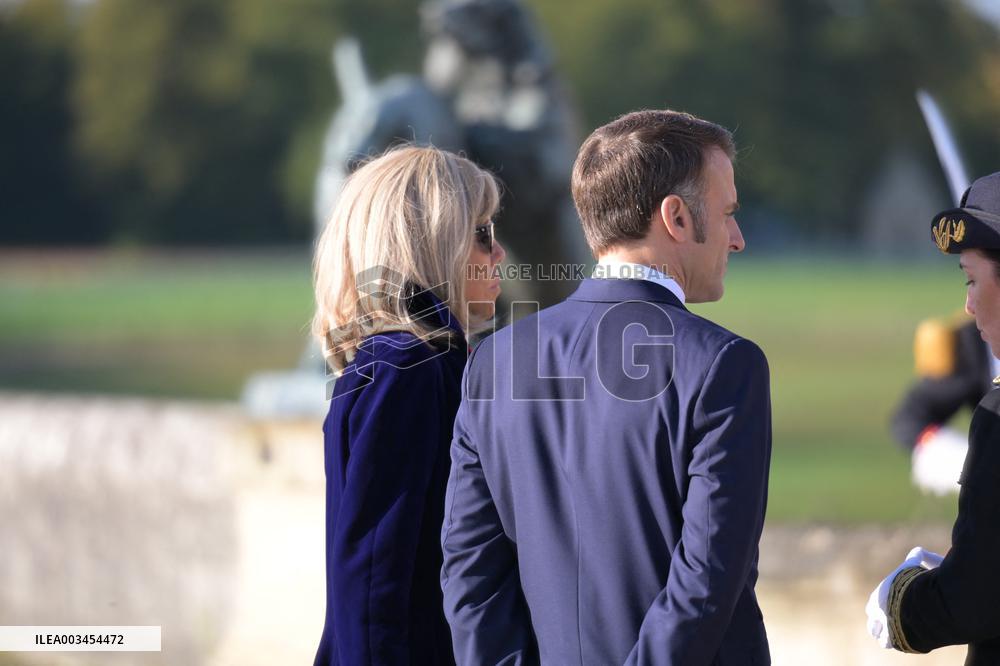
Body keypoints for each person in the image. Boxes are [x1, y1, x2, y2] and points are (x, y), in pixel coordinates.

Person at [440, 109, 772, 665]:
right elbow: (706, 585)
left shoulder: (496, 360)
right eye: (728, 212)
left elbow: (471, 577)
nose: (737, 238)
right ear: (677, 218)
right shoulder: (723, 365)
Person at [311, 145, 505, 665]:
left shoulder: (421, 360)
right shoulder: (405, 368)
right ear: (433, 243)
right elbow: (372, 577)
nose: (499, 253)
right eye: (482, 233)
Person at [867, 171, 1000, 664]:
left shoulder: (998, 415)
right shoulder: (969, 347)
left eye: (971, 278)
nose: (967, 303)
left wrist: (901, 603)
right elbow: (913, 417)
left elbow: (976, 599)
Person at [891, 315, 994, 495]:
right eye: (970, 284)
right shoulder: (974, 343)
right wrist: (975, 463)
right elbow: (911, 420)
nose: (968, 303)